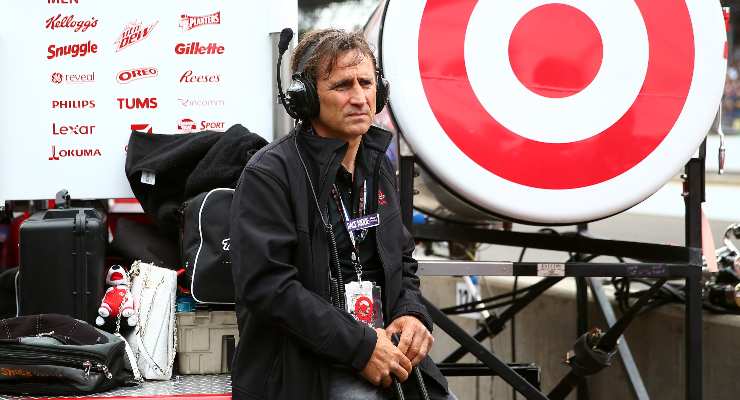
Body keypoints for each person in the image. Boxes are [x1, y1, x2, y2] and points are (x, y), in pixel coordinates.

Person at [230, 28, 453, 400]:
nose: (359, 98)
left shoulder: (378, 168)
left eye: (366, 83)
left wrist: (412, 314)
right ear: (305, 98)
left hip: (382, 353)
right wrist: (361, 346)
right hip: (306, 370)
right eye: (342, 86)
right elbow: (270, 289)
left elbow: (401, 260)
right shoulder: (269, 174)